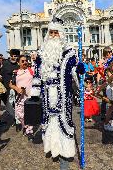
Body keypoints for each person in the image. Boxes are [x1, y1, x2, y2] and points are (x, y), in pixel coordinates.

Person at [31, 19, 84, 170]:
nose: (53, 35)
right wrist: (35, 93)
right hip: (47, 95)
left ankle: (64, 153)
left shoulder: (70, 53)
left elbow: (75, 73)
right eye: (51, 32)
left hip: (64, 95)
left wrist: (79, 70)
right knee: (49, 121)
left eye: (56, 32)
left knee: (64, 121)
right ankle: (53, 148)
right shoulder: (42, 53)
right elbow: (37, 74)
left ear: (61, 34)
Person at [9, 55, 34, 135]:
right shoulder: (15, 72)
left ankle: (29, 131)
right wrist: (17, 88)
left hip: (30, 97)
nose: (25, 62)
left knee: (30, 114)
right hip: (19, 97)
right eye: (22, 61)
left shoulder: (31, 70)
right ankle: (25, 126)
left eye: (26, 60)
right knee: (19, 114)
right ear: (18, 63)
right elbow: (10, 84)